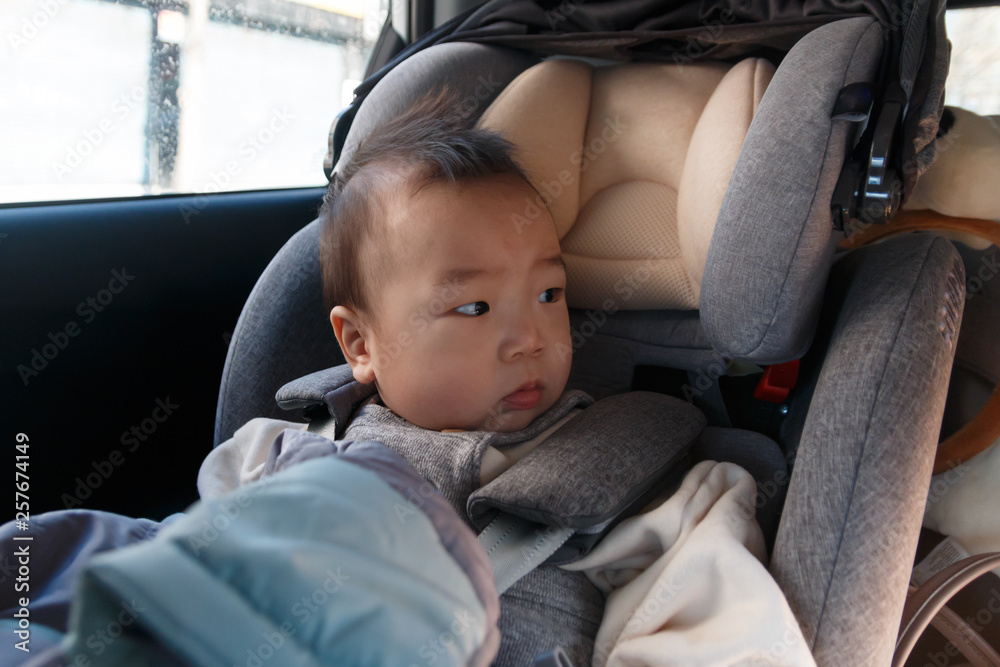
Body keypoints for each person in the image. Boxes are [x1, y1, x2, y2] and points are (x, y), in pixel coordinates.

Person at [199, 88, 816, 667]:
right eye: (475, 307)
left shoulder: (636, 489)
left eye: (550, 294)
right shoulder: (280, 450)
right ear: (361, 344)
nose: (530, 339)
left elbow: (723, 636)